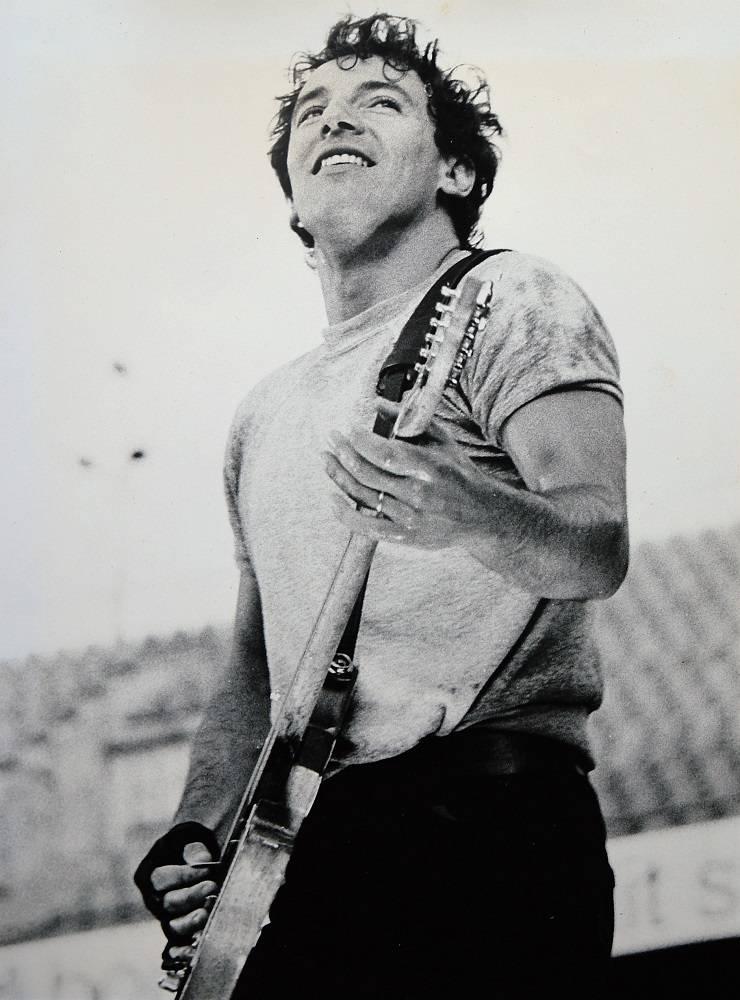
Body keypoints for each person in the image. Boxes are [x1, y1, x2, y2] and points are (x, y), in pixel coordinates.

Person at [135, 13, 628, 998]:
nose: (333, 118)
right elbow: (251, 669)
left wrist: (470, 510)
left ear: (453, 172)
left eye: (378, 100)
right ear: (292, 199)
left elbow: (594, 546)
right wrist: (198, 827)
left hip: (487, 829)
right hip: (305, 858)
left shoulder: (508, 300)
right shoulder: (262, 414)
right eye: (310, 109)